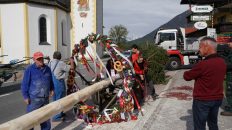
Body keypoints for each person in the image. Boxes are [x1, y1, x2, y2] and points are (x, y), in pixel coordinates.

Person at [183, 37, 226, 130]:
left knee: (199, 126)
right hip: (217, 99)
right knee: (213, 124)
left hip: (203, 100)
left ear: (207, 47)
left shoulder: (203, 64)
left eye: (200, 46)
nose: (199, 49)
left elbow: (186, 76)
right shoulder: (222, 62)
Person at [21, 51, 54, 130]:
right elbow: (24, 84)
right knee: (30, 121)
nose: (41, 60)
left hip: (45, 99)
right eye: (38, 59)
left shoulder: (47, 69)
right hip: (34, 99)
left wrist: (52, 89)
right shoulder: (30, 69)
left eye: (41, 58)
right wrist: (25, 97)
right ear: (34, 60)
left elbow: (50, 80)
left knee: (45, 120)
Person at [48, 51, 74, 121]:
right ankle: (57, 117)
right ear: (60, 57)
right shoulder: (60, 63)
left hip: (52, 83)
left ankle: (60, 113)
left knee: (55, 99)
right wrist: (71, 61)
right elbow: (71, 68)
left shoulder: (50, 62)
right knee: (60, 100)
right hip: (58, 83)